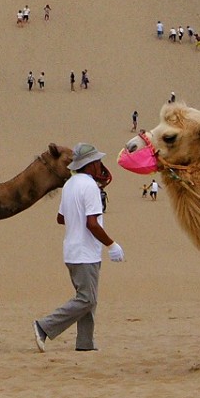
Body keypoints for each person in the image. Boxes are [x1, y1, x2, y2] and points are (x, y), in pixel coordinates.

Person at [33, 143, 123, 352]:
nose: (100, 165)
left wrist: (76, 218)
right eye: (97, 161)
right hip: (85, 252)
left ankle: (85, 343)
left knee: (88, 297)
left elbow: (60, 218)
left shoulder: (70, 184)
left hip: (73, 250)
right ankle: (44, 326)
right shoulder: (90, 186)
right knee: (86, 299)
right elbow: (92, 223)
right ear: (90, 164)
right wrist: (112, 244)